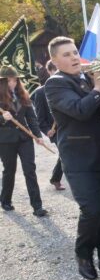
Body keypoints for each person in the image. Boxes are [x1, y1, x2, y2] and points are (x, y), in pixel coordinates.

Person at [45, 36, 100, 280]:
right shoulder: (56, 84)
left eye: (74, 52)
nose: (73, 57)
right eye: (66, 54)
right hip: (80, 160)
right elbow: (81, 111)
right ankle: (83, 254)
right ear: (54, 60)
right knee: (94, 209)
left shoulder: (90, 77)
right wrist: (99, 87)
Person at [0, 66, 48, 217]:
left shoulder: (23, 95)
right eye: (9, 80)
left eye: (15, 80)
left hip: (24, 138)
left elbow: (31, 117)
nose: (13, 83)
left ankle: (37, 206)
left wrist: (38, 135)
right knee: (10, 171)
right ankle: (5, 200)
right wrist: (2, 118)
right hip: (6, 140)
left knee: (30, 170)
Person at [31, 60, 65, 190]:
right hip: (55, 131)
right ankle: (56, 178)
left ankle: (59, 177)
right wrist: (47, 131)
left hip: (69, 127)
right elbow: (40, 119)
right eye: (55, 70)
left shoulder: (67, 87)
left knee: (70, 153)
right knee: (65, 152)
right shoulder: (40, 92)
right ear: (50, 71)